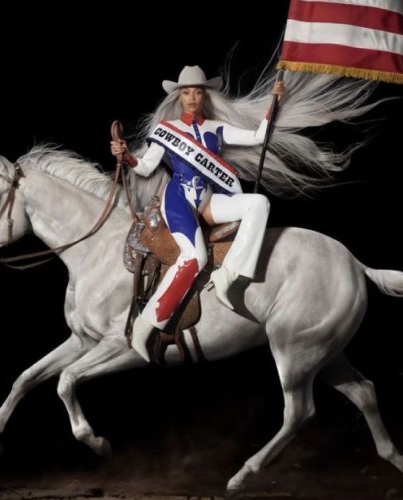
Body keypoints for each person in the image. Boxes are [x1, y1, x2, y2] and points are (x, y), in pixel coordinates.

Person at [111, 65, 283, 362]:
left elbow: (258, 136)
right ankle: (147, 323)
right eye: (187, 92)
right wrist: (126, 156)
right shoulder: (166, 130)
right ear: (179, 96)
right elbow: (147, 166)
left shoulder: (216, 128)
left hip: (207, 201)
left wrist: (275, 101)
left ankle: (230, 278)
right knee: (195, 258)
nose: (192, 97)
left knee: (259, 203)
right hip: (177, 200)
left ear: (205, 95)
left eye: (198, 91)